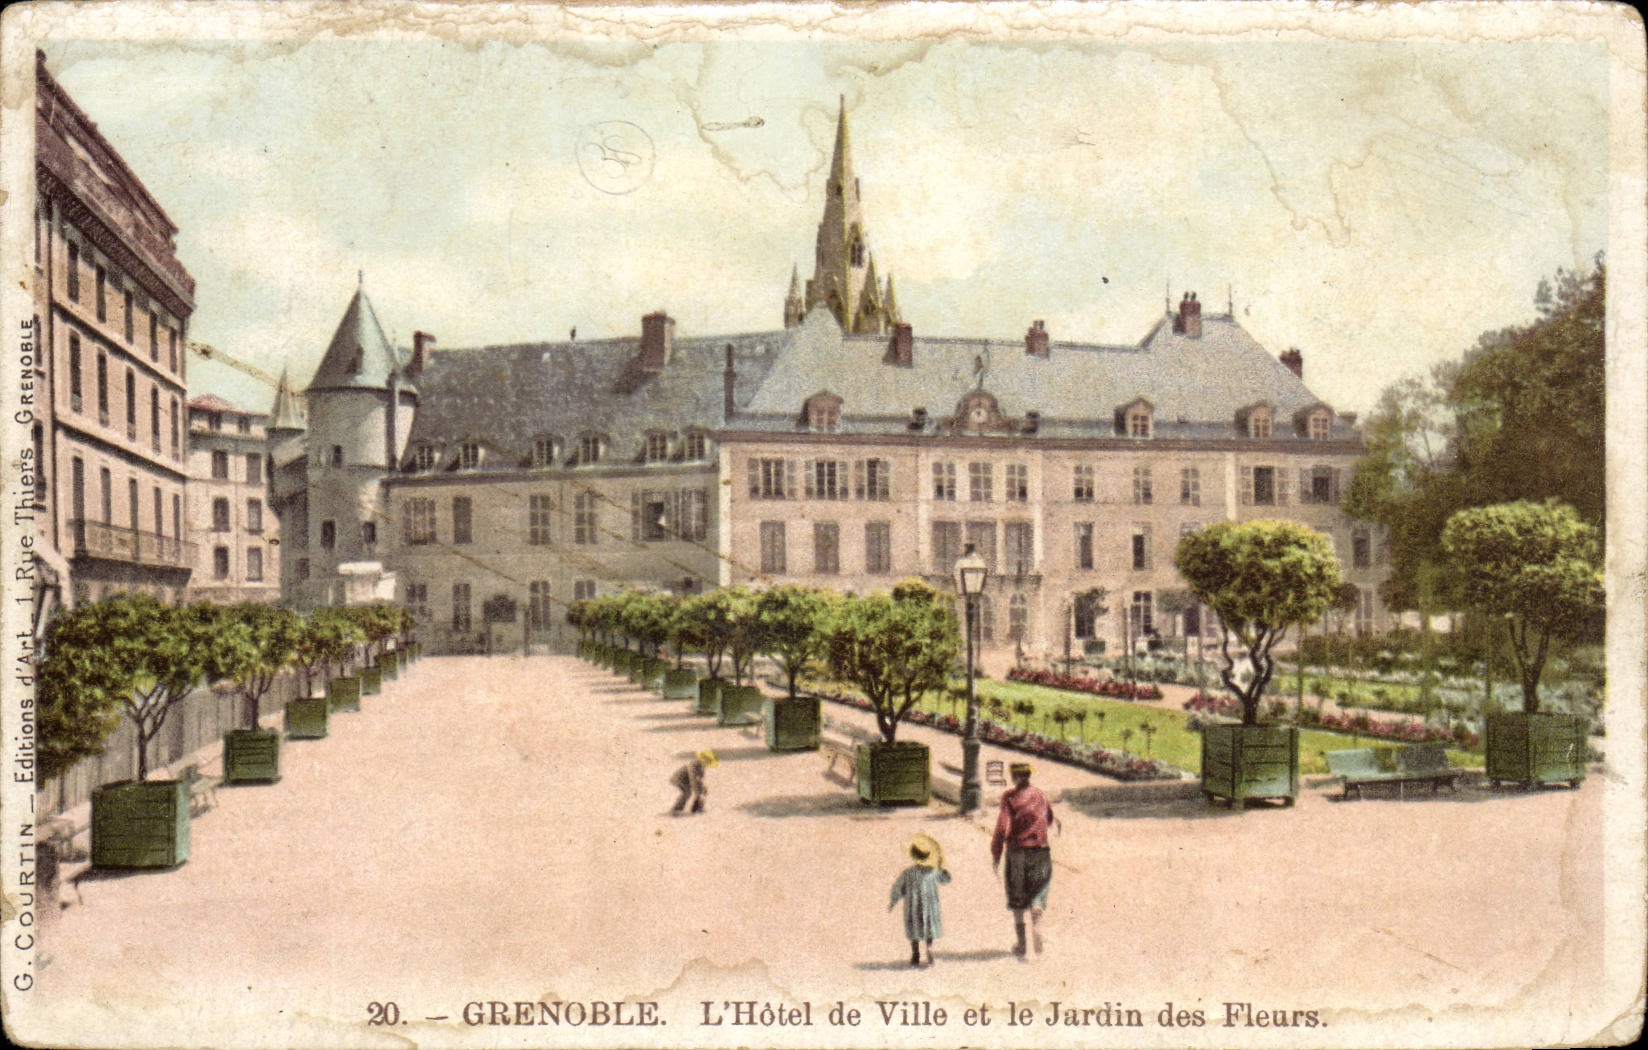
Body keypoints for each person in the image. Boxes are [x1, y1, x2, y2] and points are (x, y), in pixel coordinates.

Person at [990, 761, 1060, 957]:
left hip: (1017, 852)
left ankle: (1022, 945)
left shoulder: (1009, 797)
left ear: (1014, 777)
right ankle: (1037, 913)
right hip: (1040, 851)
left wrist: (996, 854)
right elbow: (1049, 819)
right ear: (1029, 775)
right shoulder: (1039, 794)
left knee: (1017, 896)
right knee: (1040, 885)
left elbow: (1002, 828)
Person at [889, 833, 951, 967]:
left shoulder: (908, 873)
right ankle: (929, 947)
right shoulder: (933, 872)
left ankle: (915, 953)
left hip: (913, 906)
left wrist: (893, 901)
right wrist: (942, 869)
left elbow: (898, 887)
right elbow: (946, 880)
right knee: (929, 926)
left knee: (914, 927)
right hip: (929, 905)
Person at [669, 750, 717, 814]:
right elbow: (693, 779)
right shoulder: (694, 765)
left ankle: (696, 807)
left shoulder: (701, 766)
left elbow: (699, 779)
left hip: (687, 780)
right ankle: (677, 809)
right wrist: (698, 791)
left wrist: (703, 788)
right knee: (687, 792)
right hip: (679, 779)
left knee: (696, 792)